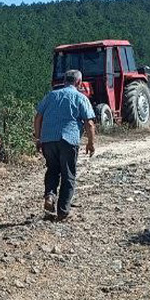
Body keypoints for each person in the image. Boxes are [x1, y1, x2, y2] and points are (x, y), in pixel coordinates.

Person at [33, 69, 97, 221]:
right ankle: (63, 211)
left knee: (52, 169)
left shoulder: (51, 95)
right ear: (79, 82)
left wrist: (39, 138)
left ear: (64, 81)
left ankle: (50, 195)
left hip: (48, 139)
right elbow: (89, 123)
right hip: (69, 140)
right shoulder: (80, 97)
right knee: (68, 175)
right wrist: (91, 143)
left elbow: (38, 117)